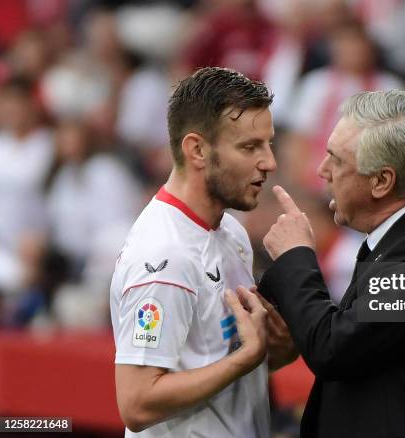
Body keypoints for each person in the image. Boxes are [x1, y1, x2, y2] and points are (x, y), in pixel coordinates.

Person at [257, 90, 405, 437]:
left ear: (382, 182)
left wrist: (296, 256)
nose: (322, 171)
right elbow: (360, 347)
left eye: (336, 160)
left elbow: (335, 350)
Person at [109, 67, 296, 437]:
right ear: (196, 149)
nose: (269, 163)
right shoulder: (164, 257)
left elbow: (229, 358)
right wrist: (245, 359)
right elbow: (136, 402)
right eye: (249, 147)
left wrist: (279, 347)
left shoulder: (230, 231)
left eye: (268, 143)